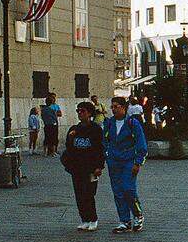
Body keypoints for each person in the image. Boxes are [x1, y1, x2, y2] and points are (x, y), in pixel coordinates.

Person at [103, 96, 147, 233]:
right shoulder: (109, 123)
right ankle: (124, 221)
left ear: (124, 107)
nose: (113, 109)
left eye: (116, 106)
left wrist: (138, 162)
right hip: (114, 161)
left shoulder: (132, 123)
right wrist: (107, 155)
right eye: (112, 107)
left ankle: (138, 216)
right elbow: (104, 140)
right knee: (118, 191)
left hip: (129, 161)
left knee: (128, 189)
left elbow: (141, 143)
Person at [63, 101, 105, 231]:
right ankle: (84, 219)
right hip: (77, 167)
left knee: (89, 193)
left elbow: (100, 148)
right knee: (79, 193)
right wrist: (70, 138)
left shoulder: (96, 129)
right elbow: (68, 148)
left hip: (91, 167)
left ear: (89, 113)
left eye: (83, 111)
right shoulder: (74, 129)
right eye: (78, 111)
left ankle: (93, 219)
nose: (80, 113)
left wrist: (99, 166)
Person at [41, 93, 62, 157]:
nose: (54, 99)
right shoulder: (51, 109)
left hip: (47, 124)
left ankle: (47, 152)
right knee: (52, 138)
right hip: (53, 124)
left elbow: (60, 114)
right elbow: (56, 115)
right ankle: (52, 152)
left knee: (48, 138)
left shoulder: (44, 109)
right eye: (53, 98)